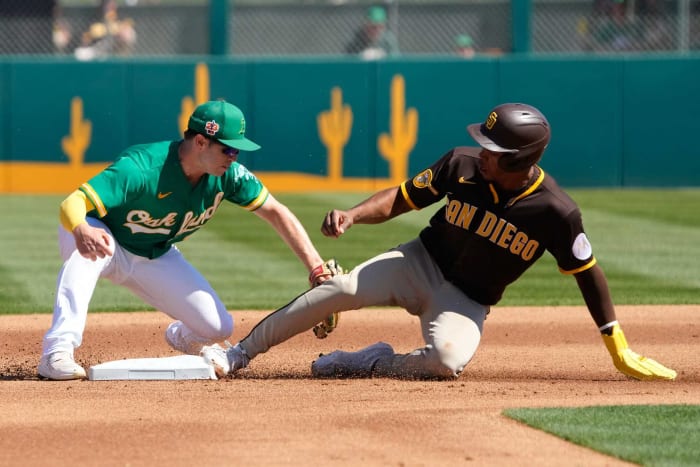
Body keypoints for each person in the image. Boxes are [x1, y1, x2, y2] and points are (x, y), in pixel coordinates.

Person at [202, 102, 677, 382]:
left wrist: (615, 342)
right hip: (419, 260)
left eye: (493, 150)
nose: (481, 153)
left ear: (520, 159)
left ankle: (371, 362)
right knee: (340, 291)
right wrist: (353, 215)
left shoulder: (555, 211)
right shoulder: (462, 164)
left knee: (446, 362)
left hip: (467, 299)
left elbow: (586, 272)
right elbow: (403, 198)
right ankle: (240, 352)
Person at [38, 100, 334, 380]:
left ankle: (184, 336)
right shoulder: (142, 168)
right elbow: (72, 203)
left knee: (218, 327)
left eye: (237, 152)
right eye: (228, 150)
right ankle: (57, 352)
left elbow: (276, 212)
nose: (233, 158)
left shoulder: (227, 176)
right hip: (103, 237)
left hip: (154, 253)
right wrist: (81, 229)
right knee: (88, 252)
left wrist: (317, 269)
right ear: (201, 142)